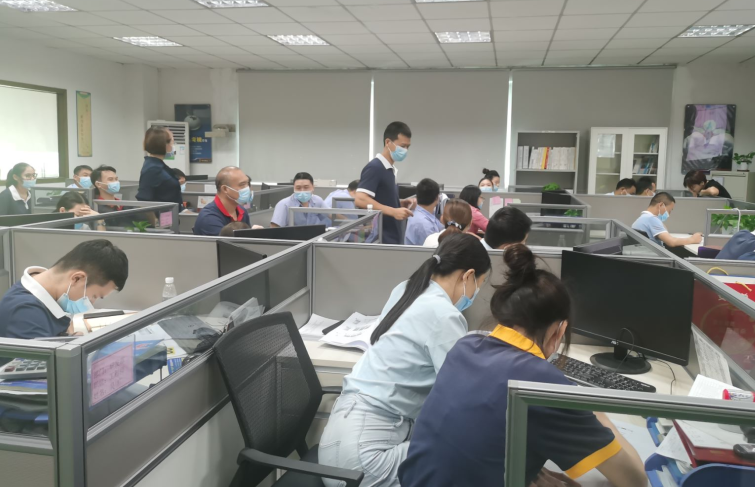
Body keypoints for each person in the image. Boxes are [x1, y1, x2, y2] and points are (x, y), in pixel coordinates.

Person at [398, 244, 647, 487]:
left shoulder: (466, 346)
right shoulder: (543, 384)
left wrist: (525, 470)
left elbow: (474, 439)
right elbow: (634, 480)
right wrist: (594, 412)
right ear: (559, 330)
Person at [318, 233, 492, 487]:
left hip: (339, 441)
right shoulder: (444, 315)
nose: (476, 292)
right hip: (363, 460)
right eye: (480, 283)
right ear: (468, 276)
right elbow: (462, 397)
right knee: (465, 458)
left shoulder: (406, 289)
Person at [0, 240, 128, 339]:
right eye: (94, 296)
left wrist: (67, 338)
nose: (91, 304)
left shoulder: (51, 293)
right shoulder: (26, 314)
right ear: (77, 278)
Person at [355, 122, 417, 245]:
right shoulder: (375, 167)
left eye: (407, 147)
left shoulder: (389, 169)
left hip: (392, 236)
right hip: (382, 238)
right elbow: (360, 199)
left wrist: (399, 203)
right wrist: (393, 211)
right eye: (402, 146)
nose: (405, 150)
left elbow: (381, 198)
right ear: (388, 142)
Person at [193, 167, 252, 236]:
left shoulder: (242, 211)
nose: (247, 188)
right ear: (225, 189)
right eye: (242, 184)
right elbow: (228, 242)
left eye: (247, 183)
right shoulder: (209, 218)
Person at [631, 192, 702, 248]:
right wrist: (692, 239)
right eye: (669, 210)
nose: (669, 214)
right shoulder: (652, 219)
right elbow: (672, 242)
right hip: (656, 258)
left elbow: (665, 232)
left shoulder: (643, 218)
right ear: (661, 205)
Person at [136, 127, 182, 206]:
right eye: (172, 142)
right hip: (163, 213)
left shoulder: (158, 165)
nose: (173, 145)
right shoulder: (153, 169)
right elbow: (144, 199)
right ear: (164, 144)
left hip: (173, 211)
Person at [405, 178, 443, 246]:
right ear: (437, 198)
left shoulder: (424, 213)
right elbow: (433, 247)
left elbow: (440, 227)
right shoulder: (424, 224)